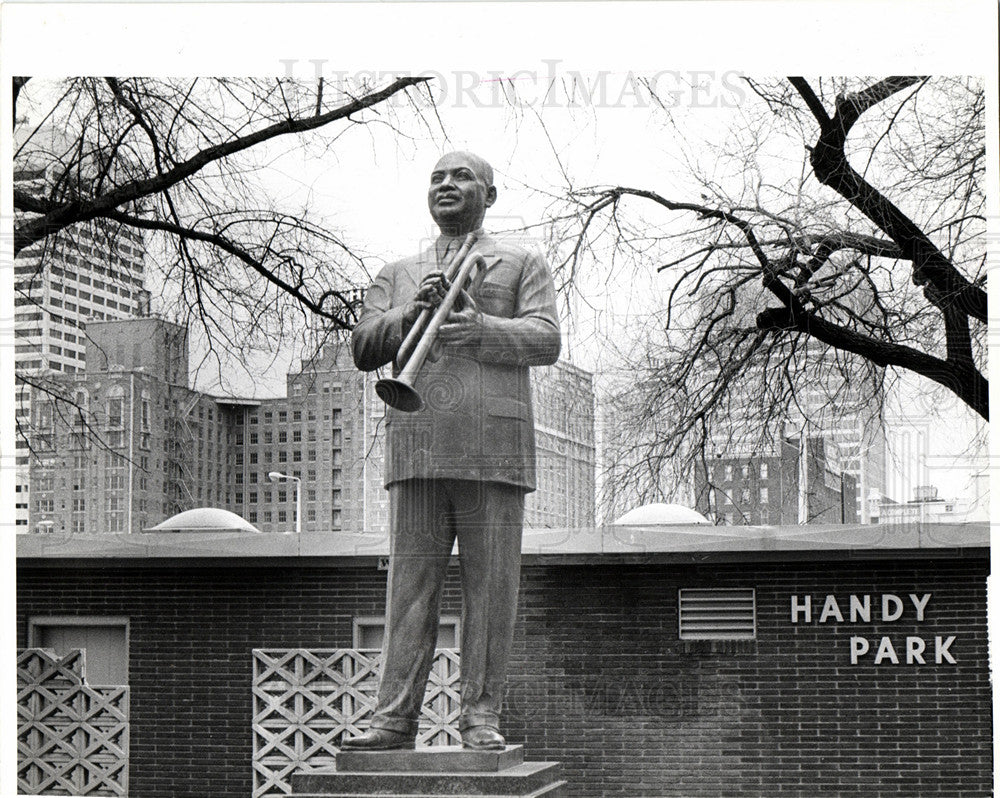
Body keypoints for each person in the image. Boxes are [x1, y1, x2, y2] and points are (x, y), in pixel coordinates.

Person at [347, 151, 561, 751]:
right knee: (409, 590)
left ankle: (481, 719)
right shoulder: (398, 270)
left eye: (461, 176)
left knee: (491, 592)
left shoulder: (523, 259)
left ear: (489, 195)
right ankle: (392, 720)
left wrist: (486, 332)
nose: (446, 185)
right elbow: (364, 346)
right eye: (437, 177)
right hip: (417, 443)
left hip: (495, 448)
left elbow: (547, 338)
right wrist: (411, 311)